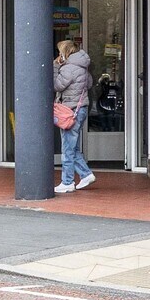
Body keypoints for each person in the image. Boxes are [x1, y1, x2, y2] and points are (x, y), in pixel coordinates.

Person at [53, 37, 94, 193]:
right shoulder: (82, 66)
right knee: (73, 146)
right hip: (81, 108)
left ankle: (67, 181)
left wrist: (56, 67)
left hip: (69, 110)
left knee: (68, 148)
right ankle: (86, 174)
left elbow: (57, 85)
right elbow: (89, 84)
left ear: (65, 52)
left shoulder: (68, 68)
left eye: (60, 51)